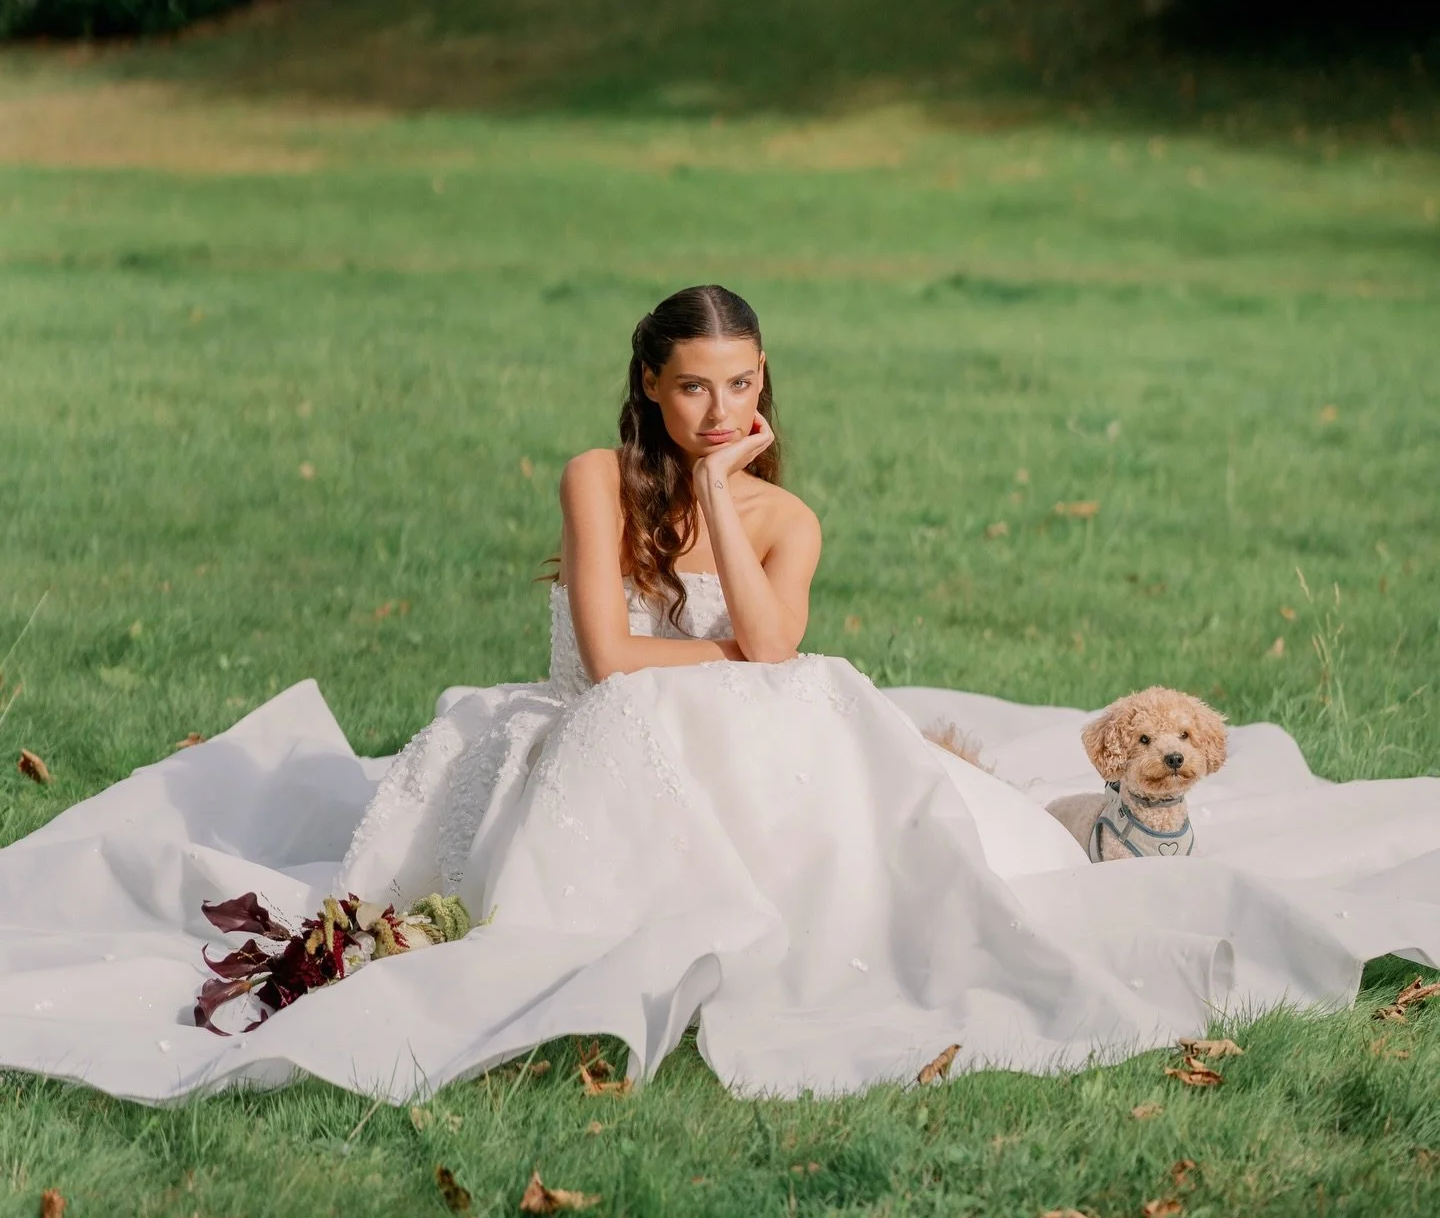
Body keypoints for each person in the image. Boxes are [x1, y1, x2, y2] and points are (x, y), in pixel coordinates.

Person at [0, 286, 1436, 1106]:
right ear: (649, 381)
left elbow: (773, 639)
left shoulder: (781, 511)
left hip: (731, 734)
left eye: (741, 385)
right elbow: (618, 667)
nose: (718, 408)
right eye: (693, 390)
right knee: (677, 711)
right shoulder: (589, 478)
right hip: (586, 739)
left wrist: (719, 493)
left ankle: (856, 900)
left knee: (806, 699)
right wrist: (682, 513)